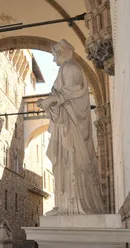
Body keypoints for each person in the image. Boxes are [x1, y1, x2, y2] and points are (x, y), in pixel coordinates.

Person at [36, 39, 104, 216]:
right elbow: (64, 95)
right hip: (65, 126)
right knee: (64, 165)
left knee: (71, 162)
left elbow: (74, 94)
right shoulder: (64, 69)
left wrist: (51, 100)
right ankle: (65, 205)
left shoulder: (70, 68)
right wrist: (49, 102)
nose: (52, 60)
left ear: (62, 52)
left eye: (54, 55)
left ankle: (76, 206)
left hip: (72, 128)